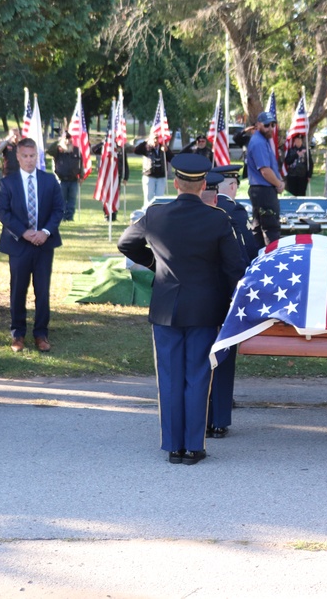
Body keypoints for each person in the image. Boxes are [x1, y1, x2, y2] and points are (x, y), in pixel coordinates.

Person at [117, 154, 247, 465]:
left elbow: (126, 244)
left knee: (170, 378)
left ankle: (174, 446)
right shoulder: (218, 219)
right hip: (205, 309)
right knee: (198, 376)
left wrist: (155, 264)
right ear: (203, 185)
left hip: (166, 309)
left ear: (176, 183)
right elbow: (235, 268)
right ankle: (193, 447)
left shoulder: (155, 215)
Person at [0, 138, 64, 352]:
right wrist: (24, 232)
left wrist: (45, 232)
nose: (28, 160)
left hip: (44, 245)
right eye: (24, 156)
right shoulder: (8, 182)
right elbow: (2, 212)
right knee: (18, 290)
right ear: (17, 157)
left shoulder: (49, 180)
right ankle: (17, 334)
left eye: (32, 156)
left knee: (42, 291)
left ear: (38, 156)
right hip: (18, 245)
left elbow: (58, 209)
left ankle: (41, 334)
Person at [206, 164, 257, 438]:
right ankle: (219, 418)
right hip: (225, 293)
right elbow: (248, 252)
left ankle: (200, 414)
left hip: (197, 294)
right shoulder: (235, 212)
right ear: (232, 186)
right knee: (223, 355)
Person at [245, 111, 285, 248]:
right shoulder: (258, 142)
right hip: (263, 191)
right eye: (267, 125)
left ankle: (258, 258)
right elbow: (265, 171)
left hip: (262, 191)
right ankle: (271, 263)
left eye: (273, 124)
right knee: (271, 229)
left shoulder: (263, 140)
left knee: (258, 227)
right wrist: (279, 184)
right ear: (258, 125)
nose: (271, 128)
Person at [50, 133, 85, 222]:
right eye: (66, 139)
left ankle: (70, 217)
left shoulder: (76, 150)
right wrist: (58, 142)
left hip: (73, 180)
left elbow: (81, 164)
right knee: (61, 200)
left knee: (72, 200)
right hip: (61, 180)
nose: (68, 141)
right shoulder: (58, 150)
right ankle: (62, 217)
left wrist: (81, 176)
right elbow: (49, 151)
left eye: (69, 139)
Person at [139, 139, 170, 205]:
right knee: (148, 197)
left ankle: (158, 213)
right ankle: (147, 213)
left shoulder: (163, 148)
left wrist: (167, 151)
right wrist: (145, 142)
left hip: (161, 176)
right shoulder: (147, 148)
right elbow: (136, 150)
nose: (155, 141)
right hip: (149, 176)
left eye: (157, 138)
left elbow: (171, 158)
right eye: (154, 139)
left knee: (160, 198)